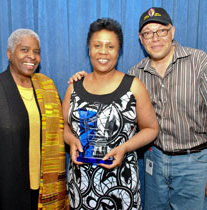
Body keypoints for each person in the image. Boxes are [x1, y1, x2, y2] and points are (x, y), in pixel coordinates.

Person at [69, 7, 207, 210]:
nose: (155, 38)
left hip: (194, 162)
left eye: (161, 31)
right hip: (155, 163)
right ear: (141, 39)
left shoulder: (199, 62)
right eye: (148, 33)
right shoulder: (136, 74)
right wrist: (82, 81)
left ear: (172, 32)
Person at [62, 18, 159, 210]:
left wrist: (125, 147)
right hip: (81, 185)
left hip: (121, 187)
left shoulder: (133, 86)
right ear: (89, 49)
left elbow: (151, 129)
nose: (103, 52)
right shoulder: (74, 87)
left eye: (110, 46)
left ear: (119, 51)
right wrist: (71, 141)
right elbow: (63, 126)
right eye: (97, 45)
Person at [0, 29, 68, 210]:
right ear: (9, 53)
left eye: (36, 52)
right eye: (24, 50)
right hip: (6, 193)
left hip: (43, 190)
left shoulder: (46, 87)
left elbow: (63, 128)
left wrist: (81, 83)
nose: (32, 56)